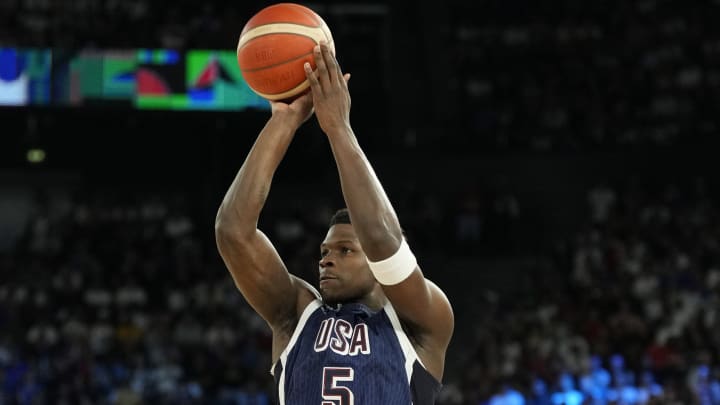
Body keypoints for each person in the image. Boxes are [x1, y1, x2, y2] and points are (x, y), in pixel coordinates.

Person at [214, 41, 454, 404]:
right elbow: (233, 231)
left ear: (376, 263)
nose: (326, 259)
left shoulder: (421, 320)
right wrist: (283, 122)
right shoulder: (296, 313)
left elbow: (379, 236)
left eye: (345, 250)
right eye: (325, 251)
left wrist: (339, 128)